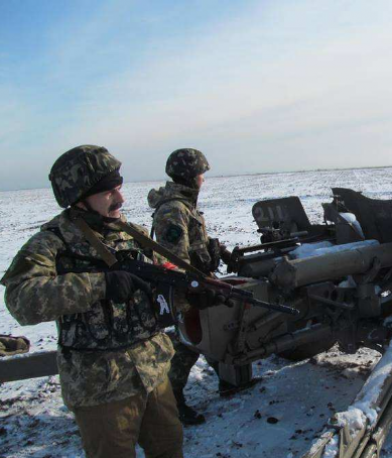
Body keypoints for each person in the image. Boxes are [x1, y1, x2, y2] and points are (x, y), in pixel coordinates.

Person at [1, 145, 184, 458]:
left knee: (169, 447)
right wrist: (99, 285)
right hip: (101, 388)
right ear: (80, 196)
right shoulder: (52, 243)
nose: (120, 199)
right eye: (109, 192)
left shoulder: (131, 234)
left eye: (119, 188)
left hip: (153, 371)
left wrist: (191, 292)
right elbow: (21, 299)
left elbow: (167, 278)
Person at [148, 148, 252, 426]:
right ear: (190, 176)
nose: (203, 180)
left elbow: (194, 242)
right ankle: (172, 401)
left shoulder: (184, 205)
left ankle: (228, 380)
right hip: (187, 290)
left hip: (198, 282)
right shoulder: (172, 210)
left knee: (211, 330)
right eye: (201, 175)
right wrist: (195, 289)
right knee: (190, 343)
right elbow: (174, 259)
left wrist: (219, 250)